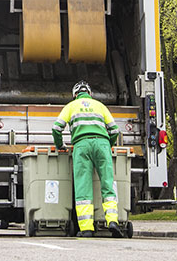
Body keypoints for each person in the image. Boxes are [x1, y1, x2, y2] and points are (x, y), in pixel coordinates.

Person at [52, 80, 122, 238]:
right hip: (103, 144)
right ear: (90, 93)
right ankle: (112, 221)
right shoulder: (100, 106)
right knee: (107, 185)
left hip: (81, 146)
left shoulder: (71, 106)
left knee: (83, 187)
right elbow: (115, 130)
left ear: (74, 95)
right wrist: (107, 146)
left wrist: (60, 145)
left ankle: (87, 229)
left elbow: (56, 128)